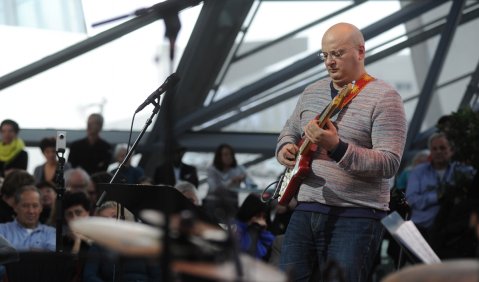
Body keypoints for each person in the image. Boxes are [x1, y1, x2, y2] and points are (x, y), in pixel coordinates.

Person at [276, 22, 407, 281]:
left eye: (337, 54)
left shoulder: (385, 97)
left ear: (360, 52)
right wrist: (285, 149)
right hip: (305, 208)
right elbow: (288, 132)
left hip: (357, 214)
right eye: (325, 55)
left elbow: (389, 163)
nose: (329, 62)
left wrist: (337, 148)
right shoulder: (311, 92)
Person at [406, 132, 475, 242]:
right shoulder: (418, 171)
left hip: (451, 231)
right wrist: (438, 197)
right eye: (434, 149)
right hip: (422, 228)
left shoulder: (462, 170)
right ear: (430, 152)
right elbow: (411, 199)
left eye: (442, 148)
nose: (438, 152)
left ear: (451, 151)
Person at [0, 185, 56, 251]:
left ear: (41, 208)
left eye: (35, 206)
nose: (31, 211)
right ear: (15, 207)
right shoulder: (2, 231)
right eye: (25, 206)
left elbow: (52, 257)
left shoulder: (51, 232)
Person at [234, 193, 274, 260]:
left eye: (264, 217)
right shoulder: (236, 229)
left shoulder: (266, 237)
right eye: (258, 216)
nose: (262, 222)